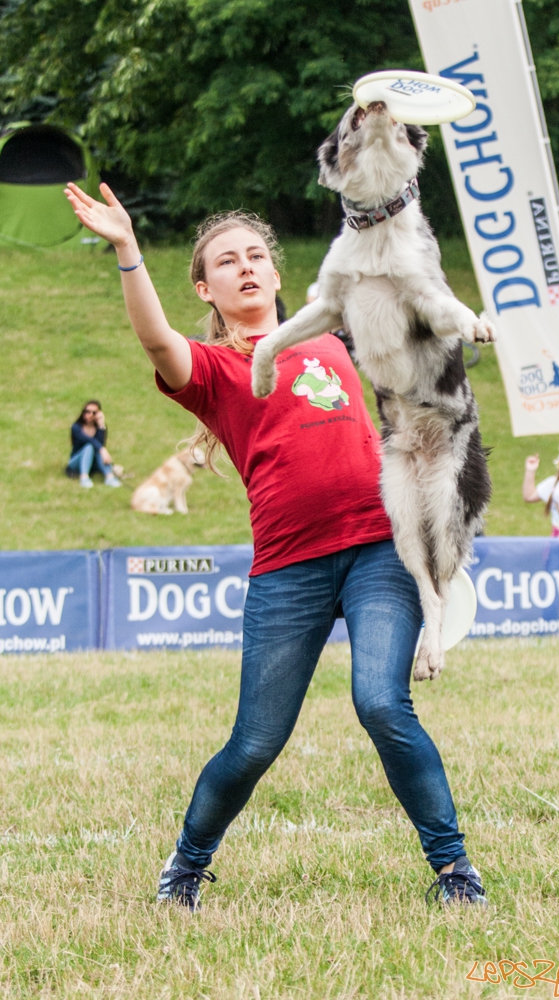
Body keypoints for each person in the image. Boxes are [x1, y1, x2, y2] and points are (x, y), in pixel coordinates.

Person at [64, 181, 487, 910]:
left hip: (377, 551)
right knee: (255, 744)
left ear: (279, 274)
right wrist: (129, 249)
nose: (247, 266)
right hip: (287, 569)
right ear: (206, 285)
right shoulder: (213, 371)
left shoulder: (329, 337)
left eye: (257, 255)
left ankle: (453, 872)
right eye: (227, 262)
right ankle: (186, 867)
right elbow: (156, 341)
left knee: (382, 704)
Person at [67, 400, 121, 488]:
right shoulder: (76, 427)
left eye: (94, 413)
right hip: (76, 462)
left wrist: (101, 426)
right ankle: (84, 477)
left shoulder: (100, 428)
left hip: (93, 463)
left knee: (97, 448)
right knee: (89, 447)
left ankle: (109, 477)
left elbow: (100, 443)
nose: (90, 415)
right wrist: (102, 450)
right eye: (87, 411)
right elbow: (88, 440)